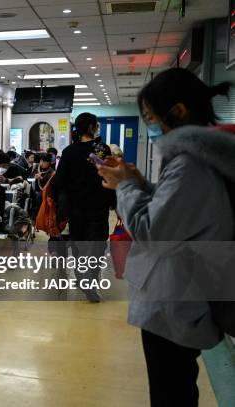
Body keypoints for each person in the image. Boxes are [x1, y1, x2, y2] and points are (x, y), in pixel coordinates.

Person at [96, 67, 233, 407]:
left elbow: (153, 233)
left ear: (179, 111)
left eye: (150, 117)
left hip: (174, 300)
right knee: (176, 386)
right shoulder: (202, 159)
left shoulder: (190, 165)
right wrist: (141, 184)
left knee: (171, 392)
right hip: (182, 293)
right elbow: (178, 212)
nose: (150, 126)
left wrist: (125, 187)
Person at [52, 112, 115, 303]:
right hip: (98, 205)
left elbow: (59, 181)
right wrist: (114, 202)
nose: (98, 127)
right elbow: (107, 175)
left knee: (79, 244)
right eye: (96, 124)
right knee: (97, 244)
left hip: (76, 207)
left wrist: (58, 202)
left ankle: (82, 278)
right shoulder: (100, 148)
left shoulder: (69, 151)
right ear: (91, 127)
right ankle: (90, 280)